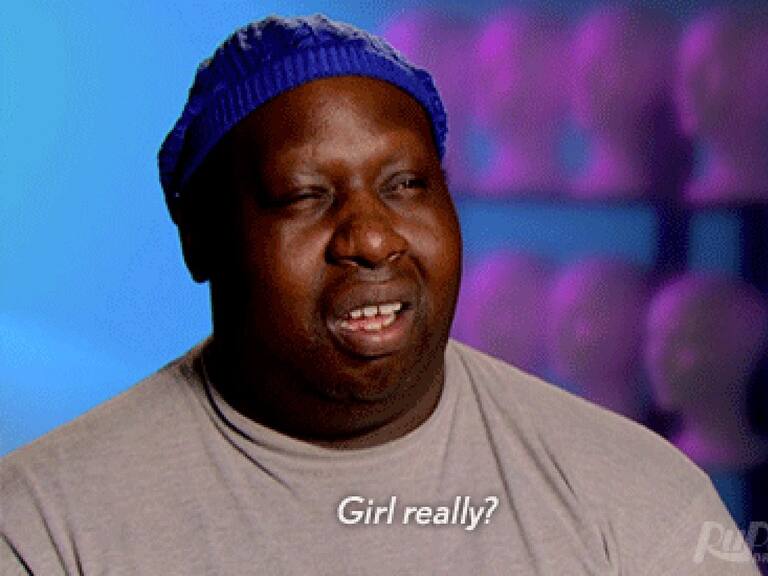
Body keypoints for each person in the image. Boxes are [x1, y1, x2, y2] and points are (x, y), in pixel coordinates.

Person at [0, 14, 760, 575]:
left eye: (405, 185)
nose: (370, 238)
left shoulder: (636, 496)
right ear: (200, 239)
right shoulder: (44, 526)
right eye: (305, 195)